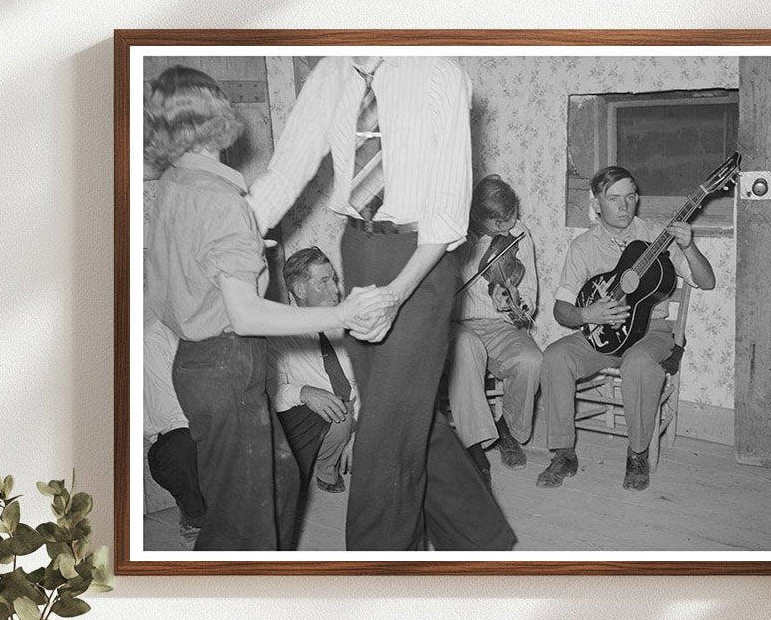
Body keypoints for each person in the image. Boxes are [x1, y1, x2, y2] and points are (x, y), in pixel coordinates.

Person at [247, 56, 515, 551]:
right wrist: (232, 233)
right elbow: (286, 171)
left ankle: (379, 573)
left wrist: (396, 293)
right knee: (406, 414)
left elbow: (449, 209)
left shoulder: (439, 73)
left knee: (384, 429)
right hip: (359, 247)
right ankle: (482, 539)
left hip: (423, 256)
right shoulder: (331, 73)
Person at [143, 65, 393, 552]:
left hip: (193, 364)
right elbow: (247, 315)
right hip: (226, 362)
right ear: (217, 114)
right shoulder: (220, 197)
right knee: (244, 517)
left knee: (278, 477)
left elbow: (191, 262)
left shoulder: (176, 184)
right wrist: (342, 315)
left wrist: (242, 248)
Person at [537, 165, 716, 491]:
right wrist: (588, 314)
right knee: (555, 357)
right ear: (596, 204)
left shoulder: (656, 235)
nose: (624, 206)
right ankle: (564, 453)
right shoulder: (582, 247)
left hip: (651, 332)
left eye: (630, 197)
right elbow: (561, 310)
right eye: (614, 198)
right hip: (600, 335)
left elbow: (706, 281)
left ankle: (637, 455)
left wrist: (689, 246)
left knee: (640, 365)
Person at [449, 175, 541, 488]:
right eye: (500, 222)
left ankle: (508, 432)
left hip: (500, 324)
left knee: (531, 360)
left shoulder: (519, 234)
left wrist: (513, 303)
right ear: (478, 218)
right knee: (466, 348)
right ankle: (475, 445)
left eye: (513, 215)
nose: (510, 225)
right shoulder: (454, 236)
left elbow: (529, 297)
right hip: (458, 324)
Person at [269, 247, 358, 546]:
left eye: (333, 279)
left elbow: (369, 383)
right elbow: (270, 393)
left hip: (351, 413)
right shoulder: (278, 332)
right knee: (336, 416)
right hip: (313, 421)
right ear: (299, 289)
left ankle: (339, 455)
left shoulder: (348, 322)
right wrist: (304, 392)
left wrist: (359, 434)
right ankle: (323, 466)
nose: (335, 289)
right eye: (324, 282)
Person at [143, 312, 205, 549]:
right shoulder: (154, 338)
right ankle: (194, 518)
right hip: (177, 435)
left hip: (214, 425)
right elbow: (173, 416)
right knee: (183, 447)